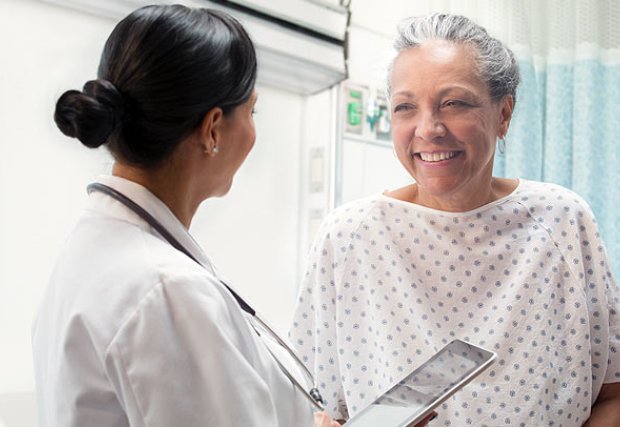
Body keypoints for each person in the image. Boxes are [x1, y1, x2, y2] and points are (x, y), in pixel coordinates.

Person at [289, 13, 620, 426]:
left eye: (454, 103)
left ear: (504, 114)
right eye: (405, 107)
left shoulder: (562, 221)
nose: (428, 129)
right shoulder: (348, 237)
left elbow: (612, 395)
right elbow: (315, 407)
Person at [31, 5, 341, 427]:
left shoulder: (96, 246)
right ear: (213, 128)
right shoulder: (168, 290)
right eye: (252, 111)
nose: (253, 131)